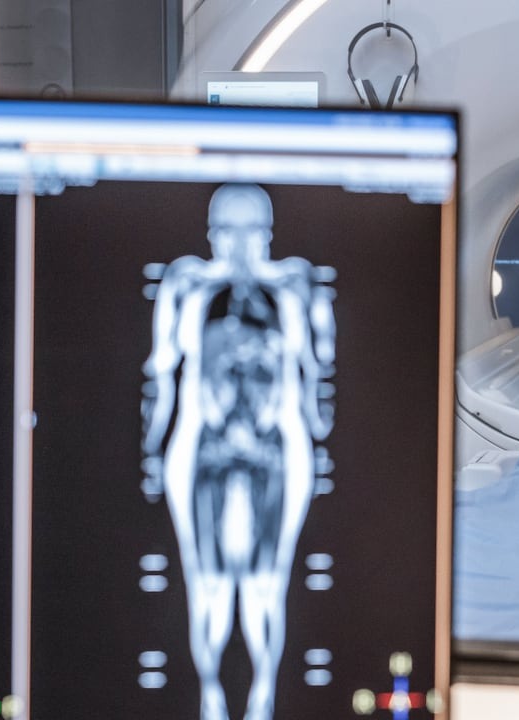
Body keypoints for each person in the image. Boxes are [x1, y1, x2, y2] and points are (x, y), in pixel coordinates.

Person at [143, 184, 335, 720]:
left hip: (275, 448)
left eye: (253, 231)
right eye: (228, 231)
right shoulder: (187, 283)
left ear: (269, 234)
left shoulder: (294, 284)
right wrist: (153, 447)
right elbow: (160, 370)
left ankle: (261, 700)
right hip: (204, 446)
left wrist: (313, 428)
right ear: (212, 235)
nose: (241, 244)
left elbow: (320, 373)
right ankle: (211, 701)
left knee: (267, 585)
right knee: (203, 585)